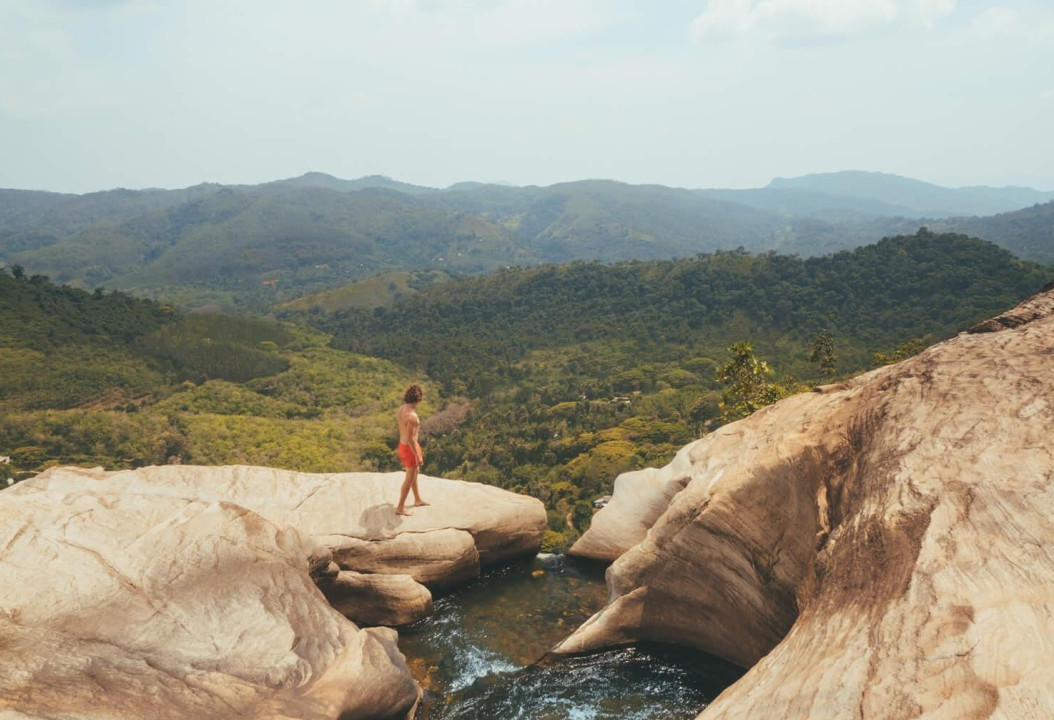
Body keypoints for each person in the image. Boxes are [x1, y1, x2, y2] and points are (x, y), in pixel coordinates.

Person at [395, 383, 428, 516]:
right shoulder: (412, 417)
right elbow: (411, 439)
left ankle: (417, 499)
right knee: (409, 478)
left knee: (414, 473)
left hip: (402, 446)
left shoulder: (402, 409)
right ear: (418, 398)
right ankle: (400, 507)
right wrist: (418, 456)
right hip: (409, 448)